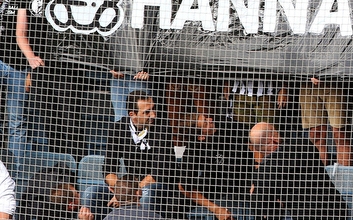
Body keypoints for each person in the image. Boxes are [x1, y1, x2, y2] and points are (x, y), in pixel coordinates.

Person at [80, 90, 179, 220]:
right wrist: (121, 192)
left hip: (157, 187)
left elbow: (158, 172)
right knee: (90, 193)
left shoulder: (162, 129)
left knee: (147, 193)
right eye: (147, 112)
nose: (153, 115)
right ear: (132, 114)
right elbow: (109, 168)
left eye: (153, 109)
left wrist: (126, 194)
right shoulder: (118, 129)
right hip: (128, 188)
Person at [0, 0, 45, 179]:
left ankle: (15, 176)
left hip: (16, 65)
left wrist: (29, 63)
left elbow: (22, 33)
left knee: (16, 122)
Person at [248, 122, 344, 220]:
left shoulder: (264, 172)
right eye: (276, 132)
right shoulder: (304, 144)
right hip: (337, 211)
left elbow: (263, 210)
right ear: (274, 139)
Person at [178, 112, 252, 220]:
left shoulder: (224, 124)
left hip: (248, 176)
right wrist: (216, 209)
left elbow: (255, 140)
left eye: (207, 117)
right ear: (201, 137)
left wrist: (257, 173)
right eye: (205, 123)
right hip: (220, 186)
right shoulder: (193, 149)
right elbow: (183, 186)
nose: (211, 119)